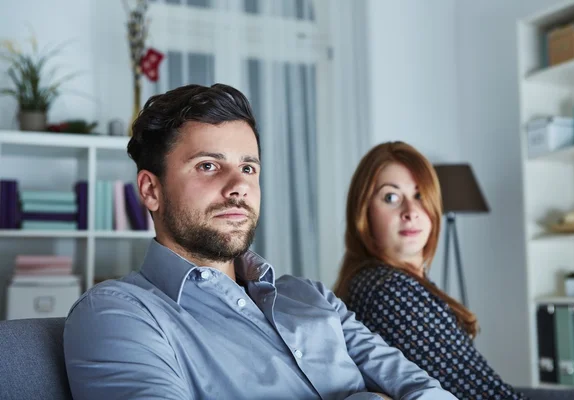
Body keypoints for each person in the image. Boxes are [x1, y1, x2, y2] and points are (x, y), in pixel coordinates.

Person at [63, 84, 456, 400]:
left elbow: (424, 390)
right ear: (151, 190)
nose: (238, 187)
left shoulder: (311, 297)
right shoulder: (117, 315)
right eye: (208, 166)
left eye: (248, 167)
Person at [332, 141, 526, 400]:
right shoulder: (389, 290)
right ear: (363, 213)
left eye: (420, 195)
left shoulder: (391, 280)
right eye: (391, 197)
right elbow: (484, 395)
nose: (410, 212)